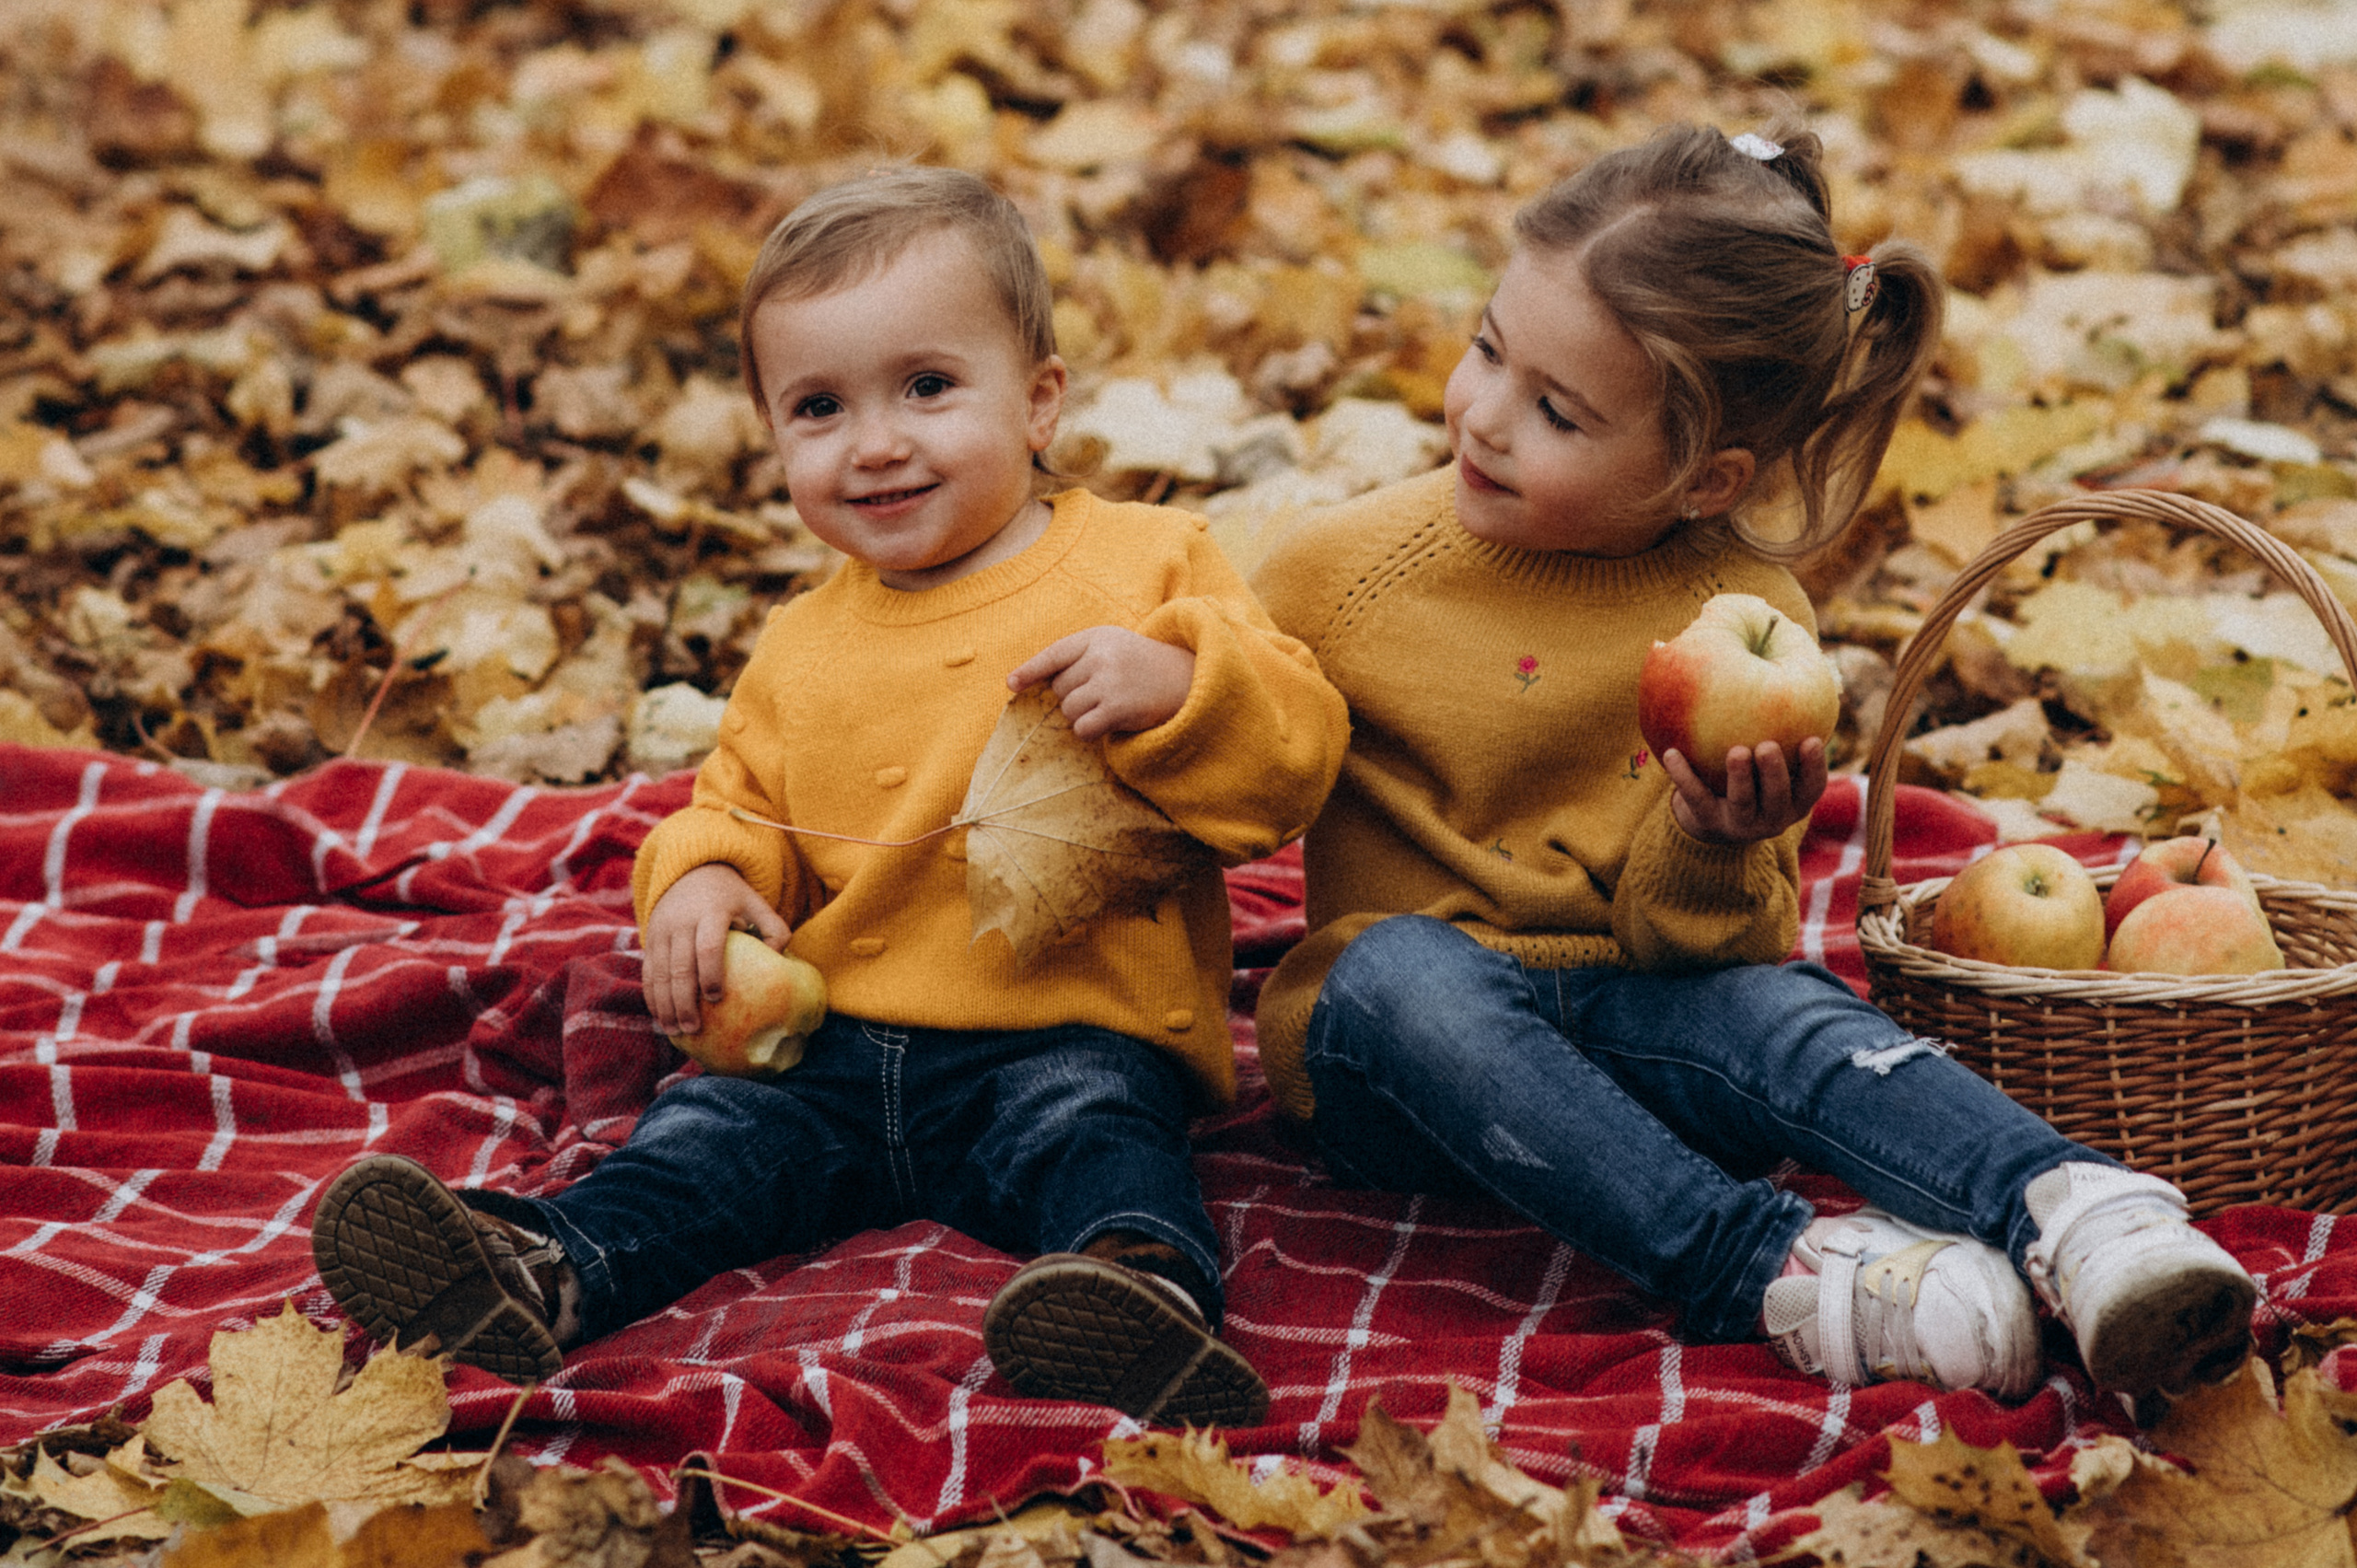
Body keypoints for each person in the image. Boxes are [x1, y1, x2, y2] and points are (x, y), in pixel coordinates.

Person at [309, 166, 1349, 1429]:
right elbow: (740, 809)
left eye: (927, 386)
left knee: (1098, 1136)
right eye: (819, 407)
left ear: (1040, 400)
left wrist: (1181, 686)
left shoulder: (1146, 564)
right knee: (700, 1147)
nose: (876, 442)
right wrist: (699, 879)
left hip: (1065, 1023)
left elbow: (1293, 764)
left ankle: (1136, 1298)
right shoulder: (802, 642)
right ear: (774, 438)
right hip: (828, 1048)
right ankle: (543, 1273)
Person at [1249, 124, 2256, 1405]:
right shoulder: (1345, 564)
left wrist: (1715, 838)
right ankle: (1765, 1266)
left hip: (1635, 1019)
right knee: (1404, 972)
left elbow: (1704, 953)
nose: (1486, 419)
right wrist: (1182, 703)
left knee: (1786, 1015)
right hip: (1398, 1067)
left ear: (1702, 473)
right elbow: (1236, 769)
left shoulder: (1743, 613)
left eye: (1557, 411)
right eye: (1488, 352)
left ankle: (2075, 1213)